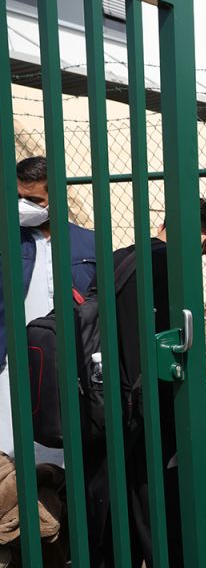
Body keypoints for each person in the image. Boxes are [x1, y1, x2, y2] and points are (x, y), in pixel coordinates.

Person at [86, 199, 206, 568]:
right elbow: (172, 352)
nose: (201, 264)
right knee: (164, 517)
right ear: (203, 239)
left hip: (103, 408)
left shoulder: (121, 258)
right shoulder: (169, 270)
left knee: (111, 516)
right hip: (147, 414)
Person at [0, 156, 97, 470]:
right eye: (17, 197)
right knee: (12, 459)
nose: (23, 205)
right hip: (9, 368)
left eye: (33, 200)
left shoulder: (89, 245)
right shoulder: (7, 241)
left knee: (64, 457)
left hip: (67, 368)